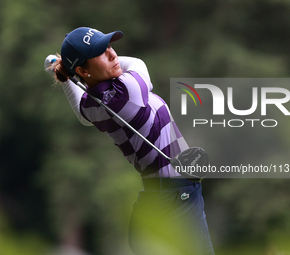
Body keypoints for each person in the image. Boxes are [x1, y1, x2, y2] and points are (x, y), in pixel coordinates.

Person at [44, 27, 215, 255]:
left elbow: (80, 111)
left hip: (163, 196)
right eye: (102, 54)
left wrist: (68, 74)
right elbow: (137, 63)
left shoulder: (92, 105)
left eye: (110, 47)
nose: (113, 55)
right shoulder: (128, 91)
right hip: (176, 196)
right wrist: (68, 70)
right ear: (83, 70)